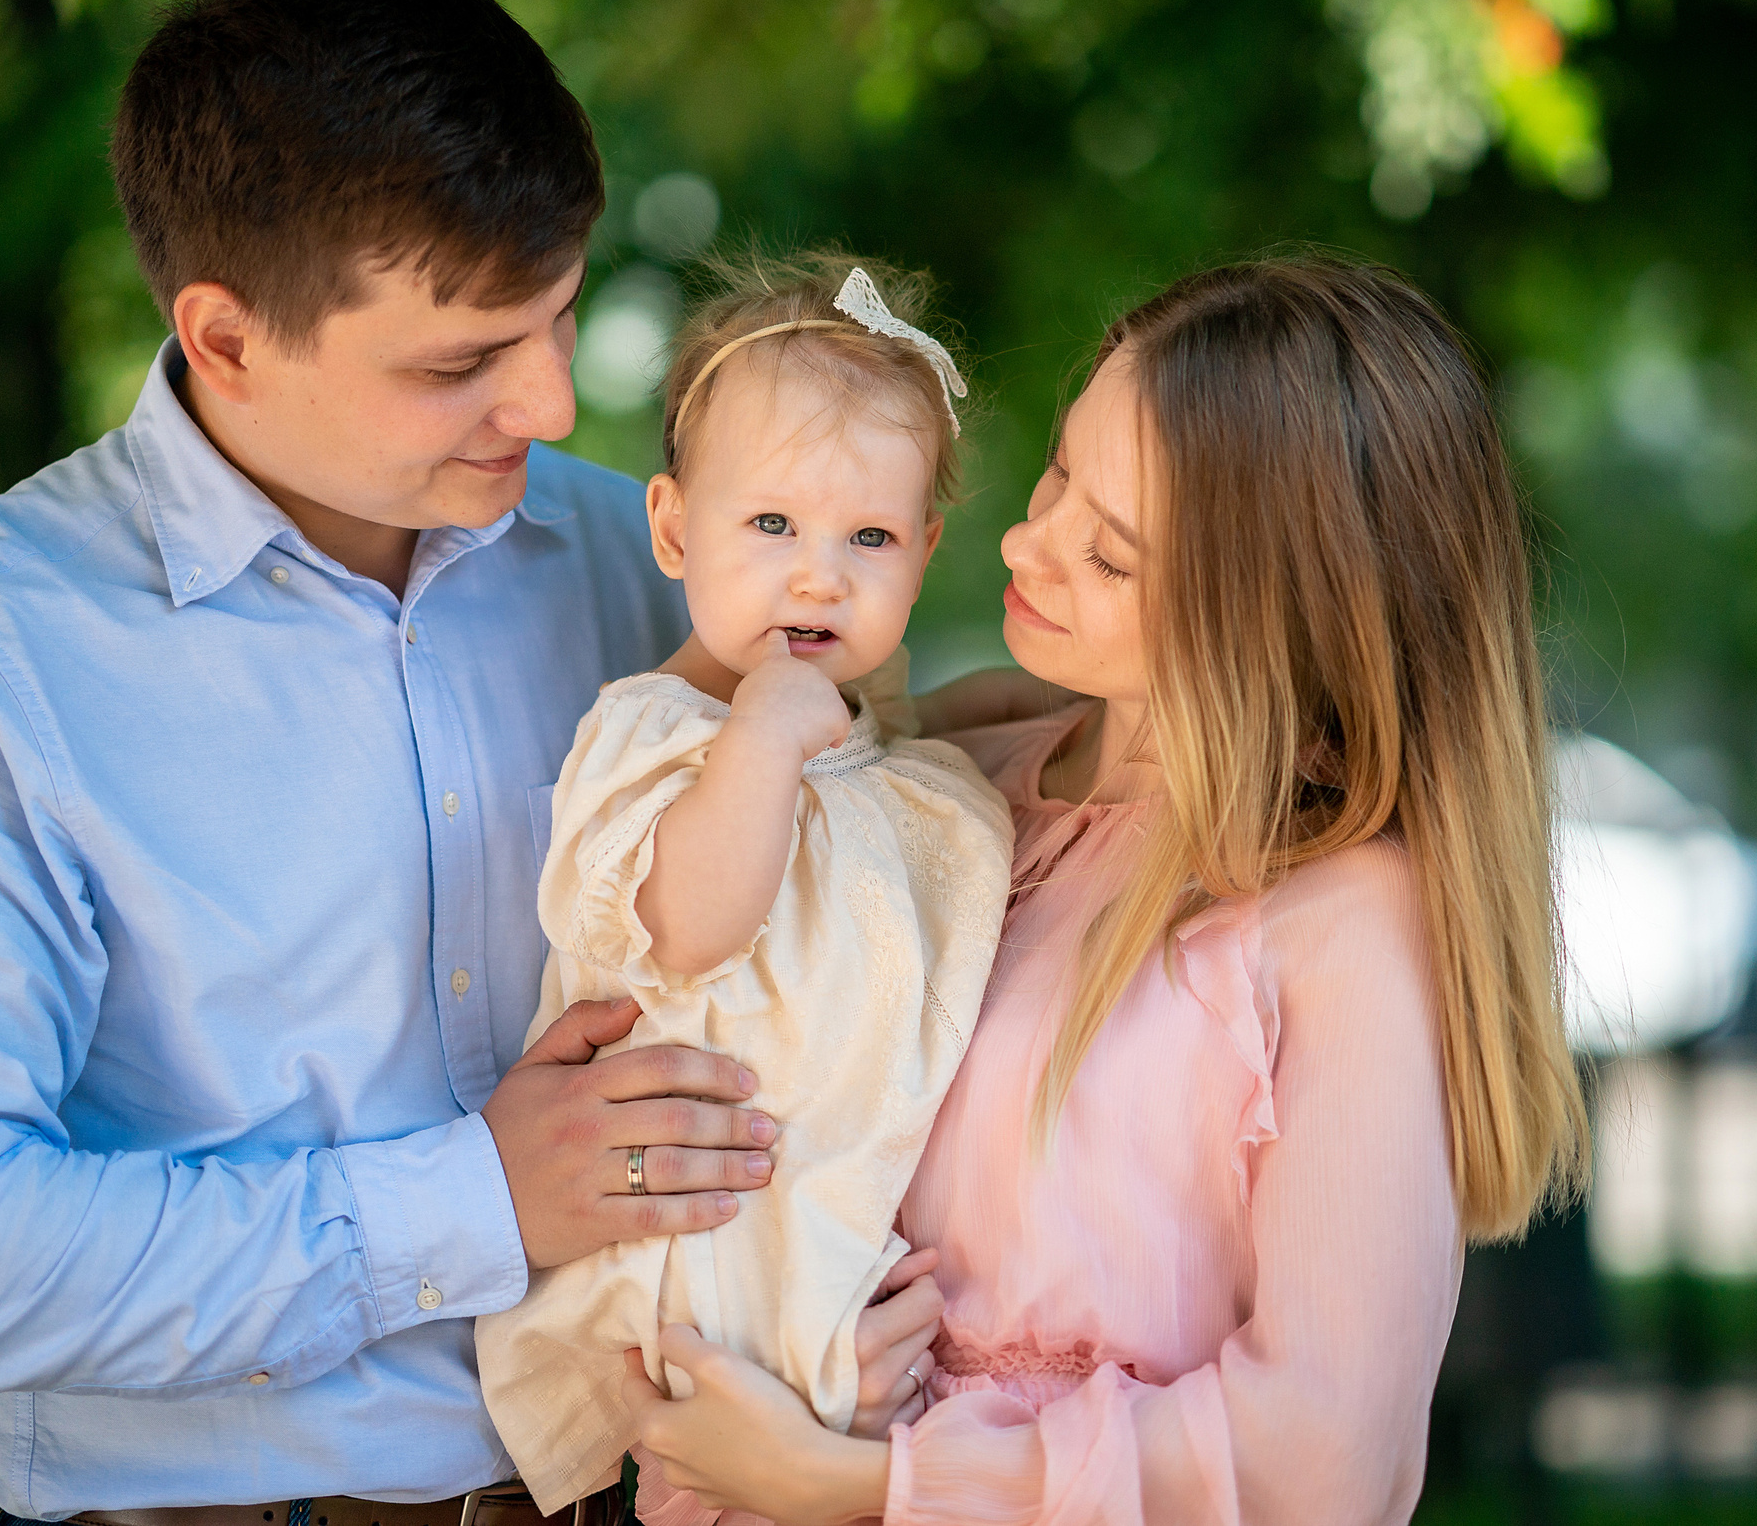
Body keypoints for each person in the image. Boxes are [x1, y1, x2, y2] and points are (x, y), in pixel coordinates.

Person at [0, 0, 932, 1526]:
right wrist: (471, 1202)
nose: (546, 402)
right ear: (227, 338)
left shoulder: (649, 563)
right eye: (459, 362)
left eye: (559, 317)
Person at [615, 254, 1593, 1525]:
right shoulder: (949, 784)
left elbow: (1321, 1456)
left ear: (1275, 616)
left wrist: (856, 1477)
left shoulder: (1337, 917)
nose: (1025, 542)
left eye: (1112, 556)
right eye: (1060, 472)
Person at [477, 256, 1013, 1515]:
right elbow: (690, 927)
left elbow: (973, 721)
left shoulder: (875, 741)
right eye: (771, 525)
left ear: (923, 553)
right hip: (702, 1259)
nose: (819, 575)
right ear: (674, 529)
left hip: (825, 1251)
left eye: (869, 537)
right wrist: (761, 737)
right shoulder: (654, 737)